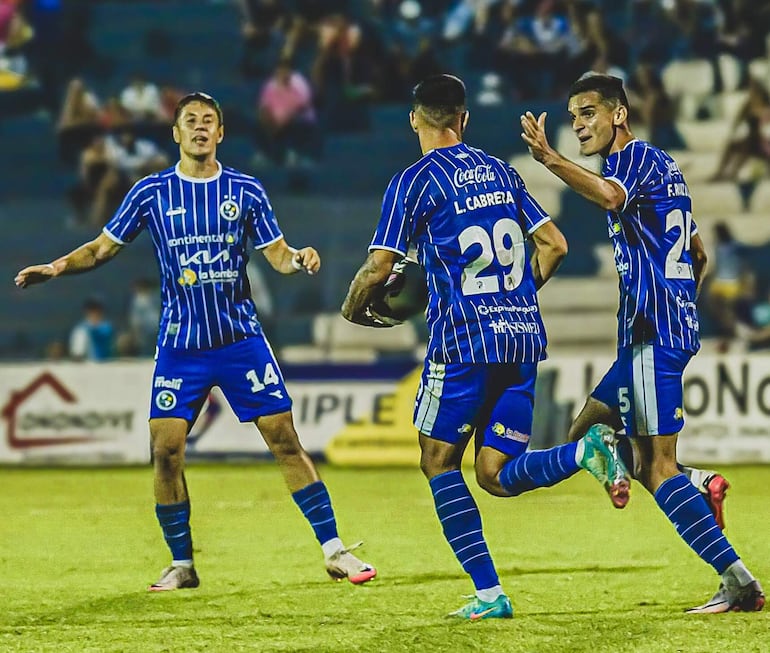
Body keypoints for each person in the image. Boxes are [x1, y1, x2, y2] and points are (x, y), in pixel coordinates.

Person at [15, 91, 376, 592]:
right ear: (176, 133)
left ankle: (334, 550)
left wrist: (299, 259)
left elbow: (277, 254)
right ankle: (182, 564)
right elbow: (101, 248)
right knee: (165, 450)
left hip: (239, 340)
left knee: (284, 439)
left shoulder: (246, 190)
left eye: (209, 121)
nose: (201, 128)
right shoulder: (150, 193)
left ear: (221, 133)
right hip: (181, 347)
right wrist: (55, 267)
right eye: (191, 121)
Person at [341, 73, 628, 621]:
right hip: (520, 340)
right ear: (464, 119)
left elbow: (380, 265)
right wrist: (514, 297)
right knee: (494, 473)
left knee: (437, 460)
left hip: (464, 346)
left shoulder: (414, 181)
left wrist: (354, 308)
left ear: (414, 119)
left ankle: (490, 593)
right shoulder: (501, 171)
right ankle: (584, 452)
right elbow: (554, 244)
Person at [520, 72, 765, 614]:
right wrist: (679, 301)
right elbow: (697, 253)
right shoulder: (664, 168)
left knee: (657, 468)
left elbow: (610, 197)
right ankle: (698, 483)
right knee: (587, 433)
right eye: (573, 115)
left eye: (588, 113)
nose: (579, 125)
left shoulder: (631, 161)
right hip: (649, 334)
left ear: (619, 115)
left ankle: (739, 581)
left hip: (653, 334)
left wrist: (550, 161)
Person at [69, 295, 114, 361]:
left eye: (98, 309)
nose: (95, 313)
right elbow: (77, 353)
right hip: (89, 366)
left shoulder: (107, 327)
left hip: (107, 364)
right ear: (87, 311)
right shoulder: (81, 329)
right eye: (92, 310)